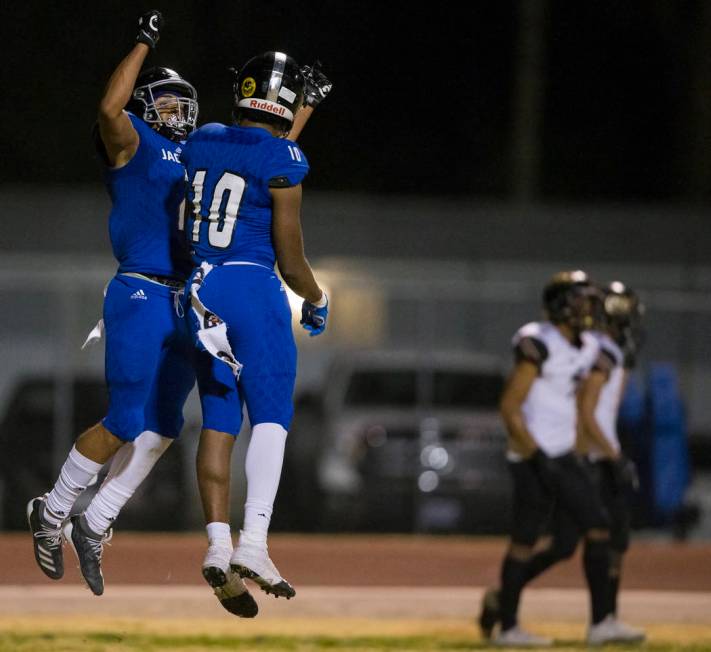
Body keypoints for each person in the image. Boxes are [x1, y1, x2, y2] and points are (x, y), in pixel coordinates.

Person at [26, 10, 257, 618]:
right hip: (141, 291)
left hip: (189, 295)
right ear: (147, 106)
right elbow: (107, 111)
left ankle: (97, 519)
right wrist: (143, 40)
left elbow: (257, 160)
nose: (178, 111)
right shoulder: (133, 140)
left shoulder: (199, 153)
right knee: (128, 417)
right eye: (167, 101)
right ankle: (52, 509)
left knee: (165, 425)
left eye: (185, 101)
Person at [180, 50, 329, 601]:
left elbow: (255, 150)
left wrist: (302, 110)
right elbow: (290, 260)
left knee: (219, 420)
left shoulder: (203, 139)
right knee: (270, 417)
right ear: (286, 103)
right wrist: (316, 297)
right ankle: (255, 542)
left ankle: (218, 542)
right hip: (251, 287)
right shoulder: (284, 156)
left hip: (199, 292)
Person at [478, 270, 613, 647]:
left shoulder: (586, 346)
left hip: (565, 454)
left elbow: (583, 402)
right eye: (581, 299)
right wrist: (537, 457)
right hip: (532, 456)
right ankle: (508, 627)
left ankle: (505, 603)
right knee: (525, 541)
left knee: (576, 539)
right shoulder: (539, 341)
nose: (588, 306)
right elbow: (510, 406)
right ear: (561, 304)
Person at [576, 281, 646, 644]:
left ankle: (607, 619)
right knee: (564, 542)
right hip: (591, 456)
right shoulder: (598, 350)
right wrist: (612, 454)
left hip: (602, 452)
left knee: (616, 540)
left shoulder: (609, 350)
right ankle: (503, 603)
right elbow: (586, 410)